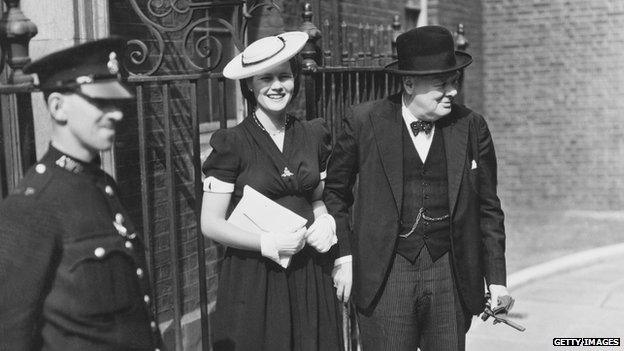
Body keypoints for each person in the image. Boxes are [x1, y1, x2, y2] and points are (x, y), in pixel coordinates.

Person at [324, 25, 514, 351]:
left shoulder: (471, 127)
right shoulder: (363, 122)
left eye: (454, 81)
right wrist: (345, 257)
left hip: (450, 276)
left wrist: (496, 280)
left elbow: (488, 207)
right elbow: (335, 192)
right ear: (408, 83)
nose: (453, 91)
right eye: (442, 83)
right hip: (386, 275)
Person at [0, 38, 163, 350]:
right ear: (58, 107)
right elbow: (10, 334)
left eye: (115, 102)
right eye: (100, 103)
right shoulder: (31, 206)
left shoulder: (103, 185)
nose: (115, 113)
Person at [200, 31, 343, 351]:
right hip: (255, 276)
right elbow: (210, 223)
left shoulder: (311, 134)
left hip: (309, 271)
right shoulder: (232, 143)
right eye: (266, 78)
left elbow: (316, 196)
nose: (277, 86)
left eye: (284, 76)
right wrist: (267, 242)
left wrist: (324, 220)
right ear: (250, 84)